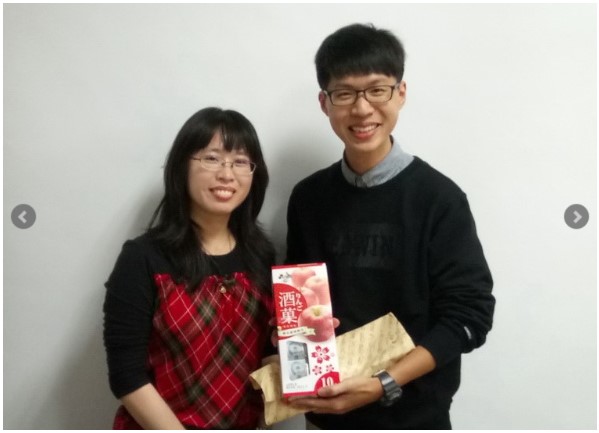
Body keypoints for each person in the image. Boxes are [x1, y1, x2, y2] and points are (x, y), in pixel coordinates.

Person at [285, 23, 496, 429]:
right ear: (324, 102)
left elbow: (469, 317)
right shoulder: (308, 198)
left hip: (415, 417)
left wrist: (383, 383)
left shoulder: (439, 199)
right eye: (345, 94)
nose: (362, 109)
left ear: (401, 93)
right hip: (328, 416)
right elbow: (300, 305)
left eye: (377, 90)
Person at [103, 107, 275, 429]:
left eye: (240, 161)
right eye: (212, 158)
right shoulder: (143, 257)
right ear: (182, 166)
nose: (227, 174)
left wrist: (302, 353)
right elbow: (126, 376)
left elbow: (264, 356)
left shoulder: (261, 256)